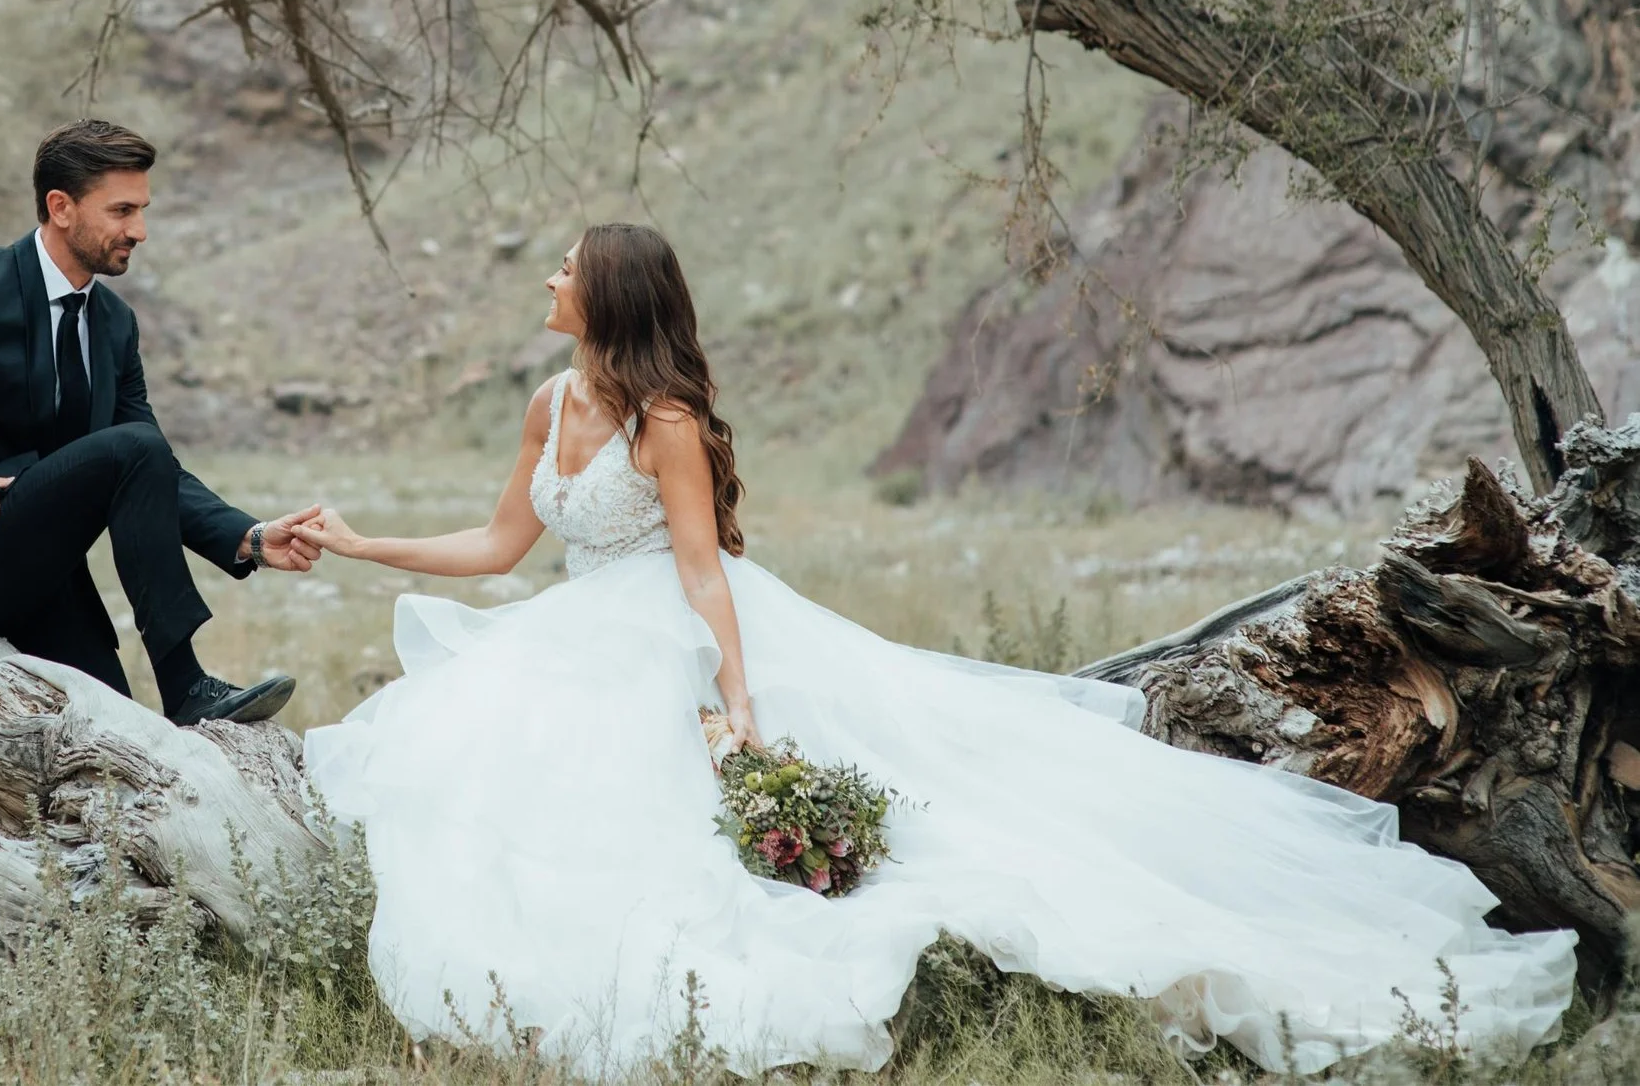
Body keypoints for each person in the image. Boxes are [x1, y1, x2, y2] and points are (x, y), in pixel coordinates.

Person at [300, 222, 1576, 1074]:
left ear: (608, 294)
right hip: (573, 630)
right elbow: (498, 544)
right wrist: (360, 542)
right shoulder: (548, 403)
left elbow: (699, 568)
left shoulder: (665, 418)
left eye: (563, 267)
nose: (546, 281)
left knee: (801, 820)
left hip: (670, 630)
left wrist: (737, 698)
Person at [0, 119, 323, 726]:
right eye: (122, 210)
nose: (139, 230)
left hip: (48, 578)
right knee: (132, 446)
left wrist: (250, 538)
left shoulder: (113, 324)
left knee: (119, 744)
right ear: (60, 206)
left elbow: (152, 465)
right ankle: (187, 684)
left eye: (142, 210)